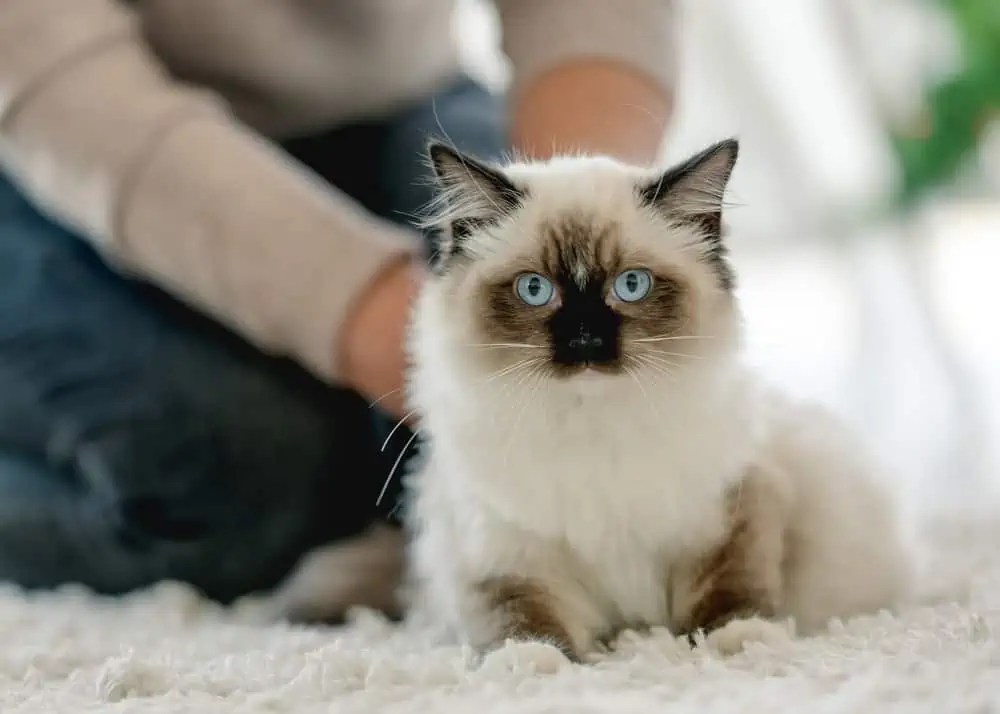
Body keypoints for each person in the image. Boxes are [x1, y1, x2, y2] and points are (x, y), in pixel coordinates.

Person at [0, 0, 675, 609]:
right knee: (239, 482)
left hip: (396, 94)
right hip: (52, 129)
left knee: (406, 450)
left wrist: (588, 224)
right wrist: (414, 352)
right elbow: (62, 85)